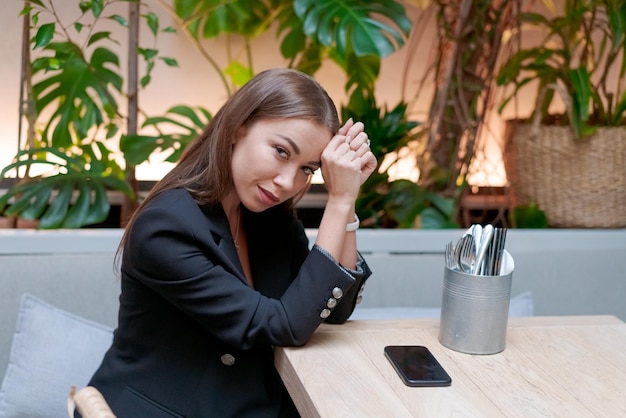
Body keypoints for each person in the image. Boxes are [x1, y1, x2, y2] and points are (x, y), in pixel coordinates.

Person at [83, 68, 377, 417]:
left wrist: (349, 198)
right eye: (282, 152)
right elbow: (283, 326)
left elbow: (334, 309)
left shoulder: (269, 215)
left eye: (308, 169)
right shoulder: (165, 228)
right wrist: (338, 200)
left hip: (252, 404)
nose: (287, 182)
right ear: (239, 127)